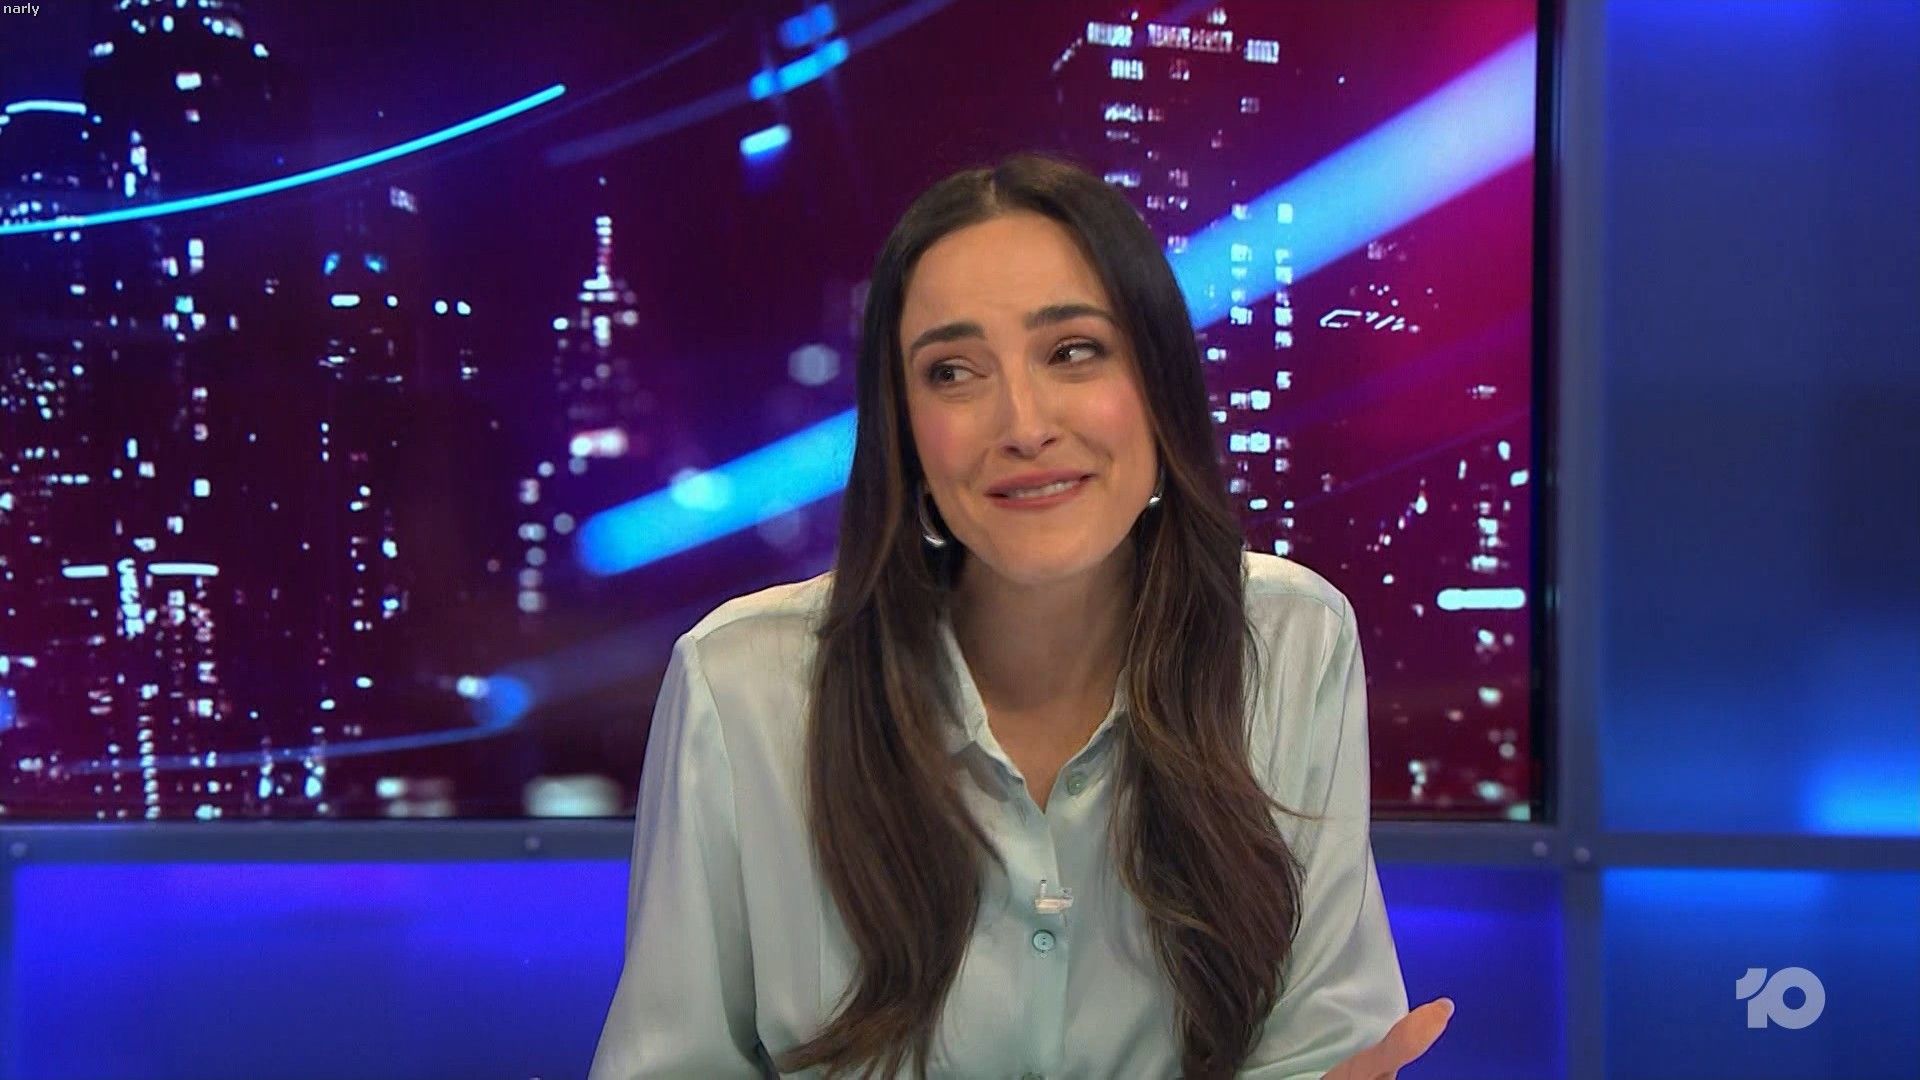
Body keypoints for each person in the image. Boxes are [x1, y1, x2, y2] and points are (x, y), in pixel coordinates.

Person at [588, 152, 1454, 1079]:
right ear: (904, 429)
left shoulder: (1287, 641)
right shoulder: (743, 687)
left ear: (1158, 383)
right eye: (953, 372)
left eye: (1073, 351)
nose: (1024, 424)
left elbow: (1315, 1050)